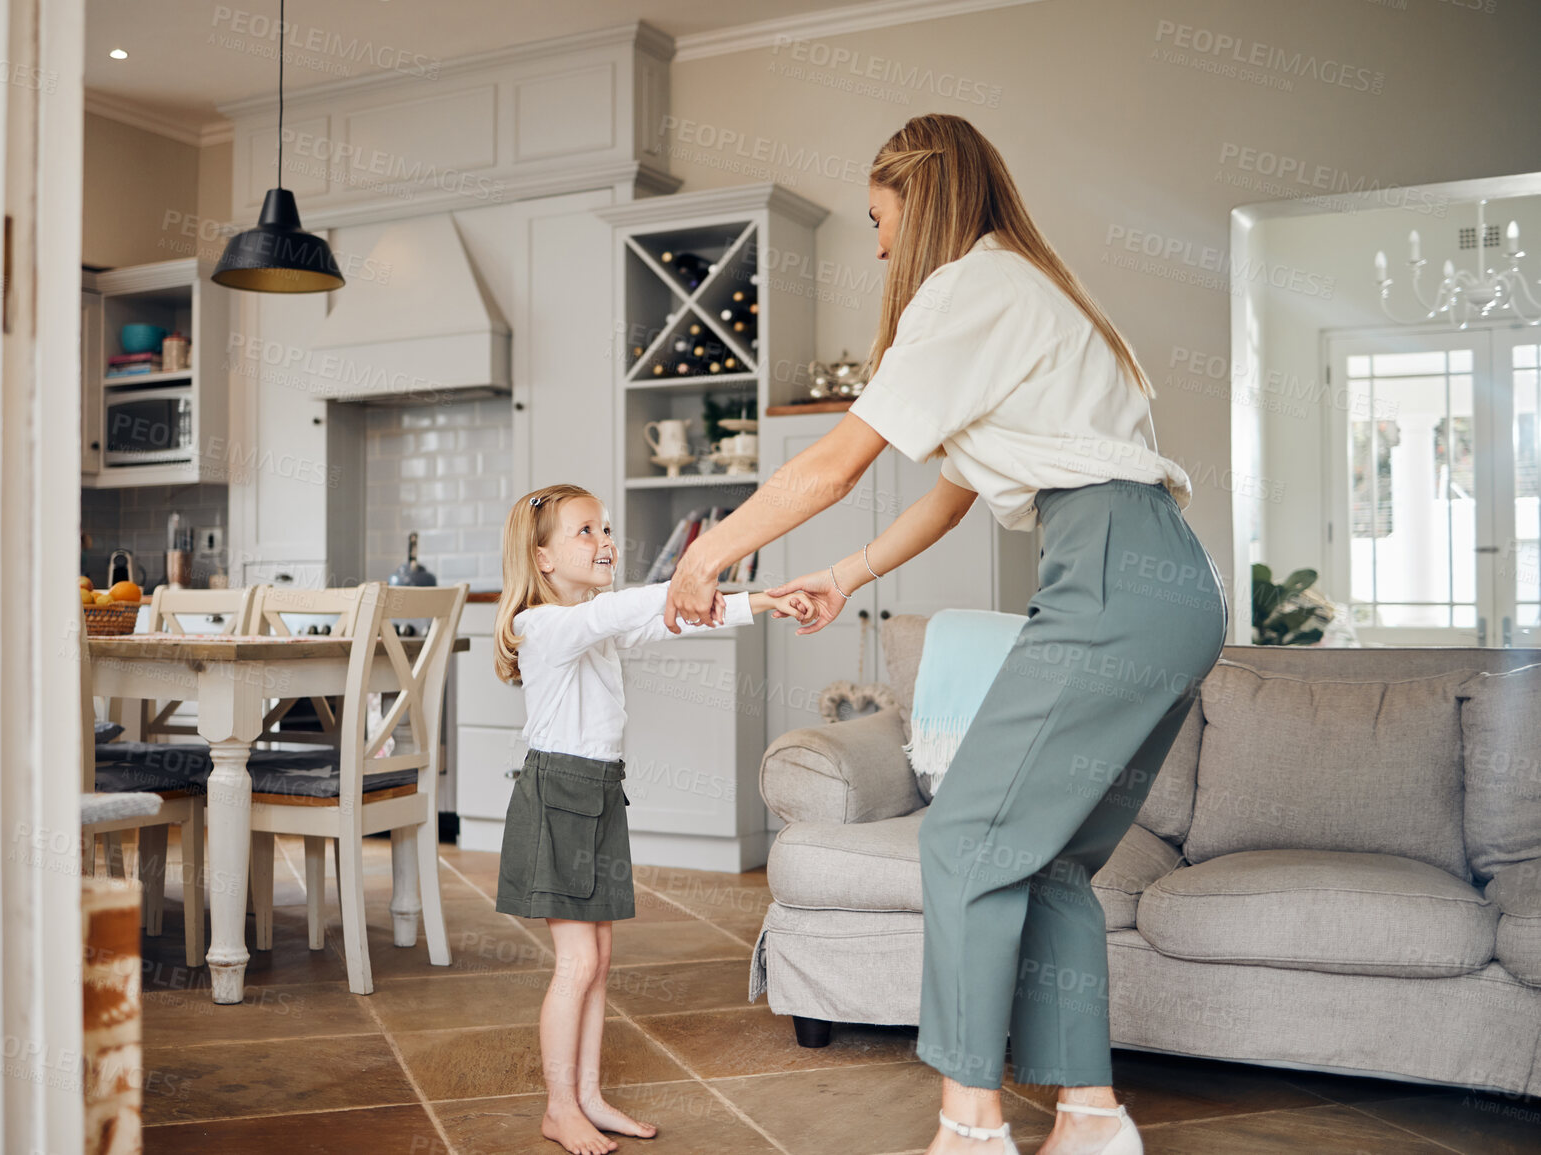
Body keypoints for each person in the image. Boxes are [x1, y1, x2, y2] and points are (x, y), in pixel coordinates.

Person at [662, 113, 1227, 1155]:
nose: (877, 245)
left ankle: (970, 1132)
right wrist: (842, 574)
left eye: (880, 219)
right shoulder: (1026, 289)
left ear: (921, 198)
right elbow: (951, 494)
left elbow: (834, 465)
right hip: (1165, 582)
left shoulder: (969, 287)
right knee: (1044, 859)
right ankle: (1092, 1120)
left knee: (965, 839)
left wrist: (706, 555)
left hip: (1107, 573)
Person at [493, 482, 812, 1155]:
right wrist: (687, 574)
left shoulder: (592, 620)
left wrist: (761, 599)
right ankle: (558, 1106)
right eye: (585, 531)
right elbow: (636, 605)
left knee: (600, 958)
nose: (604, 540)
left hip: (599, 791)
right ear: (541, 558)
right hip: (558, 796)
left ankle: (585, 1095)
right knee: (576, 961)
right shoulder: (544, 625)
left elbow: (681, 612)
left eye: (605, 528)